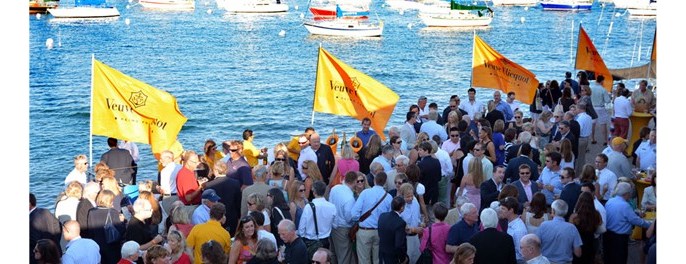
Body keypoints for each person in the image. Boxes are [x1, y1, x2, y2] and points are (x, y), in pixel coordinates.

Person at [603, 182, 653, 264]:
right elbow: (637, 221)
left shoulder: (610, 201)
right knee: (620, 260)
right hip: (619, 238)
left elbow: (622, 213)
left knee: (609, 258)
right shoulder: (625, 205)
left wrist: (635, 213)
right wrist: (651, 225)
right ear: (626, 193)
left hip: (608, 235)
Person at [351, 172, 392, 264]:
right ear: (385, 182)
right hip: (380, 232)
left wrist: (360, 219)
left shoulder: (365, 193)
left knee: (364, 260)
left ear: (374, 180)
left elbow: (354, 214)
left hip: (365, 230)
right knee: (378, 260)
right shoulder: (389, 197)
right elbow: (389, 217)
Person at [535, 200, 582, 264]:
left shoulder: (544, 225)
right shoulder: (572, 228)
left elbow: (535, 245)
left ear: (553, 211)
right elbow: (578, 253)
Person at [85, 190, 126, 264]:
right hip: (112, 247)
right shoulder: (113, 212)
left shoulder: (91, 212)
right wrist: (122, 221)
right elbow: (120, 230)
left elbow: (90, 231)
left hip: (98, 245)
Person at [204, 162, 242, 236]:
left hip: (215, 218)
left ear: (215, 171)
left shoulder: (209, 185)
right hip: (231, 217)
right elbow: (238, 202)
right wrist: (238, 216)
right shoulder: (235, 183)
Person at [327, 171, 357, 264]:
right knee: (344, 256)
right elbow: (349, 218)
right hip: (343, 229)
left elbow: (330, 204)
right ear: (355, 181)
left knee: (334, 254)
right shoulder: (349, 198)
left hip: (332, 226)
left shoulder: (335, 188)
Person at [298, 180, 336, 250]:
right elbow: (335, 224)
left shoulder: (308, 207)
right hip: (325, 240)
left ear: (314, 191)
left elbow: (302, 227)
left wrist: (303, 237)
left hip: (310, 241)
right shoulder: (332, 207)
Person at [568, 192, 603, 264]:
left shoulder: (575, 217)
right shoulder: (596, 214)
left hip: (578, 244)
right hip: (590, 244)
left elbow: (570, 231)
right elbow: (599, 225)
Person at [378, 196, 409, 264]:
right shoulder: (400, 223)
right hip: (393, 258)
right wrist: (403, 259)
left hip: (382, 255)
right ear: (402, 207)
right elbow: (398, 245)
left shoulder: (382, 216)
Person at [499, 197, 527, 263]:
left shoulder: (519, 230)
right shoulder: (509, 222)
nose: (500, 210)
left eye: (503, 208)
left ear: (511, 210)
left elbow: (521, 255)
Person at [417, 141, 442, 207]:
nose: (418, 152)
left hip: (425, 193)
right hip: (435, 193)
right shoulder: (436, 161)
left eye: (420, 150)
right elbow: (439, 178)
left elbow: (419, 180)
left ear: (426, 151)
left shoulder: (421, 164)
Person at [158, 150, 182, 214]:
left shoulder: (164, 171)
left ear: (168, 158)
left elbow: (164, 190)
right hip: (180, 197)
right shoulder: (181, 167)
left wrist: (158, 188)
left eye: (161, 158)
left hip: (169, 198)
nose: (160, 161)